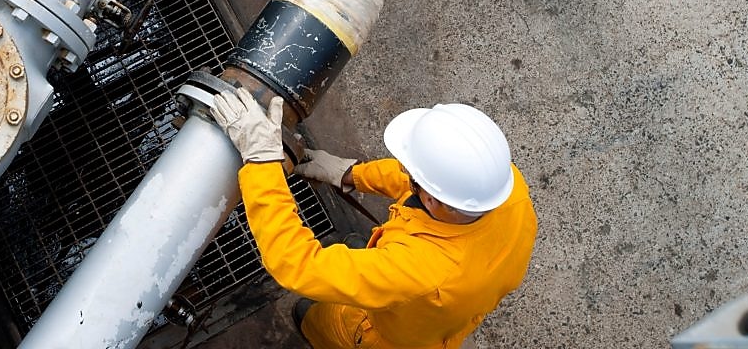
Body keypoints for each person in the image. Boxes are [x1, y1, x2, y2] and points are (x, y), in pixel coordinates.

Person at [209, 88, 537, 349]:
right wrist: (350, 174)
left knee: (314, 316)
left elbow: (295, 265)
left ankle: (313, 329)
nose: (404, 170)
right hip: (445, 318)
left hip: (384, 338)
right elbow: (420, 180)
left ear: (432, 199)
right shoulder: (504, 186)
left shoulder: (420, 270)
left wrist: (261, 162)